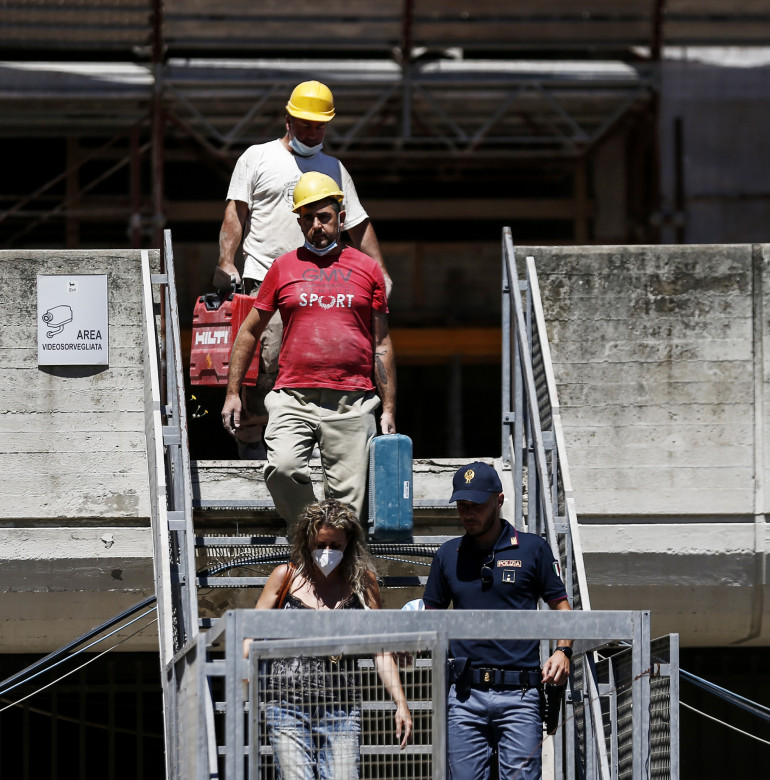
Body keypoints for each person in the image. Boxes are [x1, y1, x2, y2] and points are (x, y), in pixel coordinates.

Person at [216, 80, 392, 458]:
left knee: (315, 365)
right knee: (266, 366)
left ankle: (307, 450)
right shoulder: (257, 157)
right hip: (266, 277)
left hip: (322, 284)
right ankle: (255, 453)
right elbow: (236, 212)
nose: (312, 132)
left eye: (319, 126)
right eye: (305, 124)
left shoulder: (334, 168)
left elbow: (358, 223)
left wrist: (380, 269)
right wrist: (226, 260)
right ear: (288, 119)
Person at [221, 171, 396, 527]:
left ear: (341, 218)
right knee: (282, 469)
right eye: (308, 218)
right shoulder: (283, 267)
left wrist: (389, 407)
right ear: (299, 222)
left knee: (348, 510)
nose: (316, 225)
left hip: (352, 400)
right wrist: (233, 392)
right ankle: (311, 534)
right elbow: (250, 330)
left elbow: (381, 343)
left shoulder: (368, 270)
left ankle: (331, 559)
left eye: (324, 217)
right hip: (292, 397)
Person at [422, 462, 573, 780]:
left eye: (476, 505)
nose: (468, 513)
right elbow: (430, 618)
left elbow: (561, 606)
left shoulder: (533, 548)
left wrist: (563, 651)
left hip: (521, 694)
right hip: (464, 695)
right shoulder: (447, 555)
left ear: (499, 500)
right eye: (462, 505)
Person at [250, 500, 413, 779]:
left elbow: (381, 650)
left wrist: (401, 703)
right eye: (320, 544)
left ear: (348, 542)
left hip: (341, 708)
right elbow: (249, 634)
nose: (326, 553)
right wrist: (243, 679)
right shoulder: (286, 577)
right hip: (287, 707)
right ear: (306, 540)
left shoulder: (363, 583)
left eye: (335, 546)